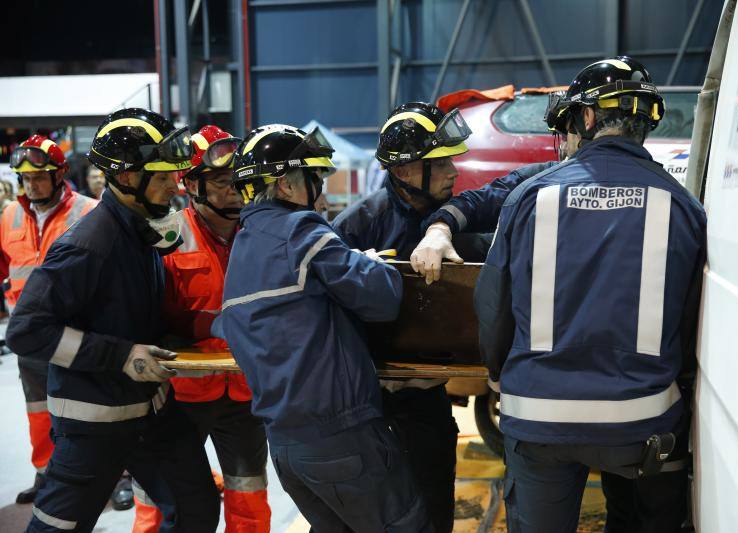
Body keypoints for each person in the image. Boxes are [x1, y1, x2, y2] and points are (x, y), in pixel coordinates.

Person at [472, 56, 706, 532]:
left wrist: (498, 376)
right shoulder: (683, 206)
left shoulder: (529, 199)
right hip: (642, 424)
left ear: (588, 117)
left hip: (538, 420)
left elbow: (493, 305)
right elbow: (690, 320)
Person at [6, 108, 220, 533]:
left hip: (151, 411)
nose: (173, 184)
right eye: (160, 176)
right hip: (95, 423)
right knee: (57, 526)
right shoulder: (90, 245)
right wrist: (120, 355)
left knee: (195, 506)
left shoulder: (139, 233)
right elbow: (26, 329)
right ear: (125, 178)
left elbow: (132, 314)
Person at [221, 123, 432, 532]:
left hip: (285, 448)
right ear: (285, 185)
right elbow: (382, 298)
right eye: (314, 178)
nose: (320, 190)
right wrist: (369, 262)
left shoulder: (242, 249)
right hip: (342, 437)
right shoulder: (302, 231)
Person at [333, 101, 490, 532]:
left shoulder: (460, 224)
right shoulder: (354, 229)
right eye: (439, 163)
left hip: (426, 402)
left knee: (432, 513)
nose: (453, 172)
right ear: (403, 172)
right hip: (362, 405)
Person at [132, 125, 271, 532]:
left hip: (246, 392)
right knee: (165, 497)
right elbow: (148, 317)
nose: (235, 190)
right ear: (191, 184)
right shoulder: (165, 237)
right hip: (181, 395)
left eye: (240, 181)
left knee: (249, 491)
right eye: (224, 181)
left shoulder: (261, 233)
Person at [1, 135, 98, 504]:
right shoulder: (9, 215)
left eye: (39, 176)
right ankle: (46, 474)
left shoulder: (88, 212)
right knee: (38, 409)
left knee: (89, 409)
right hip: (30, 337)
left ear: (59, 174)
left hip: (77, 333)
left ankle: (111, 475)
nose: (32, 184)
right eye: (26, 178)